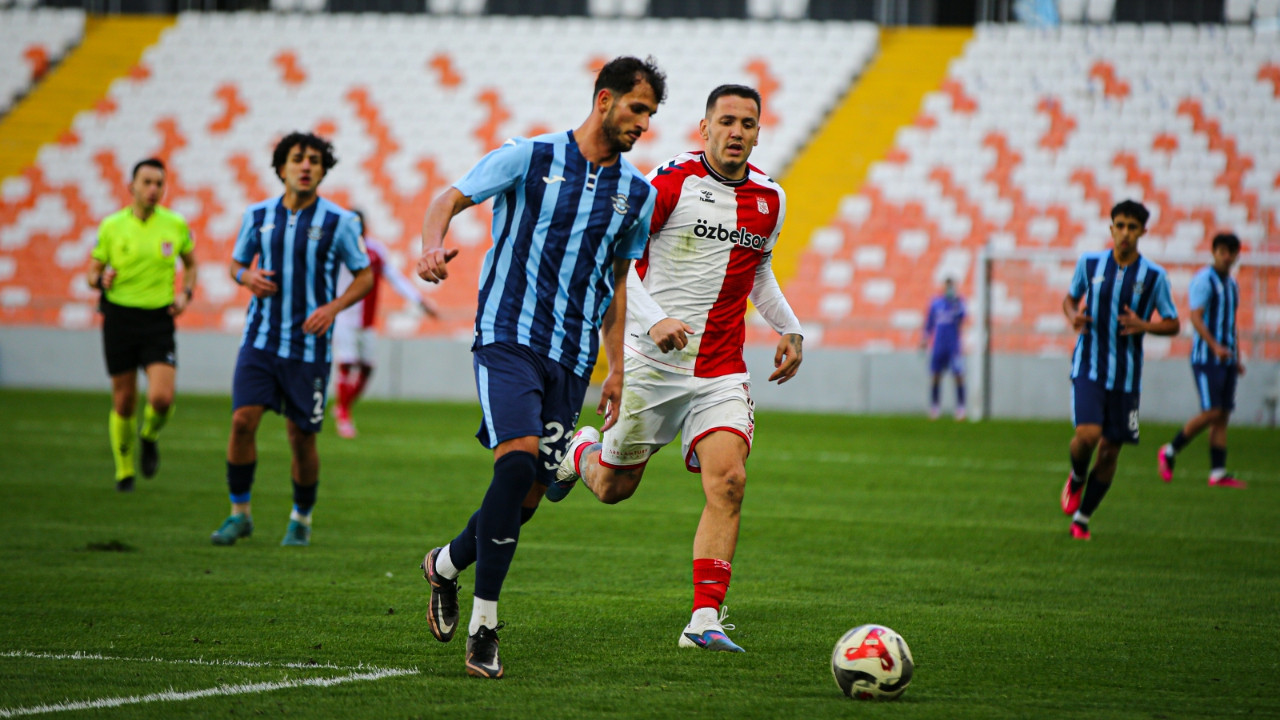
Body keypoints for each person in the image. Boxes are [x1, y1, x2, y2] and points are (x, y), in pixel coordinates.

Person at [415, 56, 666, 679]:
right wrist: (429, 246)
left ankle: (445, 565)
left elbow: (614, 284)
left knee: (525, 498)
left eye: (651, 115)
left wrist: (615, 369)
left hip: (574, 357)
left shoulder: (636, 193)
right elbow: (451, 196)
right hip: (507, 337)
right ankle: (485, 625)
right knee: (520, 461)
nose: (643, 123)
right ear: (604, 99)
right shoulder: (529, 156)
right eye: (637, 108)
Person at [550, 84, 804, 653]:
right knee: (615, 488)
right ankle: (580, 452)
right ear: (704, 127)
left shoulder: (770, 199)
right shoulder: (668, 183)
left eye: (748, 123)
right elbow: (622, 268)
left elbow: (757, 273)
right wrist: (656, 318)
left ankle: (704, 620)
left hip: (720, 368)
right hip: (652, 361)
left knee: (730, 481)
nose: (737, 131)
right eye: (727, 121)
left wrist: (789, 326)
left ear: (759, 132)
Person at [210, 131, 373, 548]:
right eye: (298, 158)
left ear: (322, 170)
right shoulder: (258, 215)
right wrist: (246, 276)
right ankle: (239, 513)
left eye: (314, 160)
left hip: (308, 350)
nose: (305, 166)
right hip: (260, 341)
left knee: (300, 437)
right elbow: (235, 264)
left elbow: (364, 276)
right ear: (281, 167)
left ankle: (301, 518)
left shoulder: (339, 222)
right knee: (242, 421)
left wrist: (332, 309)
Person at [1059, 200, 1180, 540]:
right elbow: (1069, 299)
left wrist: (1145, 325)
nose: (1125, 233)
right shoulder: (1090, 263)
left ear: (1143, 231)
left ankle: (1082, 519)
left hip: (1126, 377)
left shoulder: (1154, 277)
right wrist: (1073, 316)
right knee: (1088, 435)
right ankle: (1077, 477)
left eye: (1132, 227)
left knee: (1111, 451)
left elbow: (1173, 323)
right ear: (1111, 228)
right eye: (1120, 225)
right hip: (1088, 366)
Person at [86, 158, 196, 493]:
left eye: (159, 184)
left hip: (157, 320)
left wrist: (185, 293)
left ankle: (149, 436)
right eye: (146, 182)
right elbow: (92, 273)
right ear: (131, 186)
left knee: (162, 397)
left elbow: (190, 264)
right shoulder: (112, 226)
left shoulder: (175, 225)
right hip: (119, 318)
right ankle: (124, 473)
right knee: (124, 401)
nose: (153, 190)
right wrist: (100, 278)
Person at [331, 209, 438, 439]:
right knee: (347, 364)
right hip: (345, 318)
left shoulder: (375, 250)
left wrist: (419, 301)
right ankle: (343, 413)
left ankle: (343, 405)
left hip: (367, 322)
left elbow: (395, 278)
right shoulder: (338, 250)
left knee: (367, 368)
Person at [1157, 232, 1246, 488]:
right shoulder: (1203, 281)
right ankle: (1170, 450)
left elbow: (1230, 323)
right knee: (1211, 411)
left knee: (1223, 415)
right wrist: (1215, 346)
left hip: (1225, 357)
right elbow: (1196, 318)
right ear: (1214, 252)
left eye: (1231, 252)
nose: (1227, 256)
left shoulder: (1232, 284)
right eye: (1222, 251)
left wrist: (1236, 356)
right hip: (1206, 357)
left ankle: (1218, 472)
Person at [920, 277, 966, 420]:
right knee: (935, 376)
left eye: (952, 287)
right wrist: (924, 338)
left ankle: (960, 407)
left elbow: (963, 317)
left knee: (958, 375)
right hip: (938, 346)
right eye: (947, 287)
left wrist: (956, 302)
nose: (950, 290)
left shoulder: (959, 303)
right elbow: (929, 323)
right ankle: (935, 407)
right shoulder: (935, 303)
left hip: (954, 347)